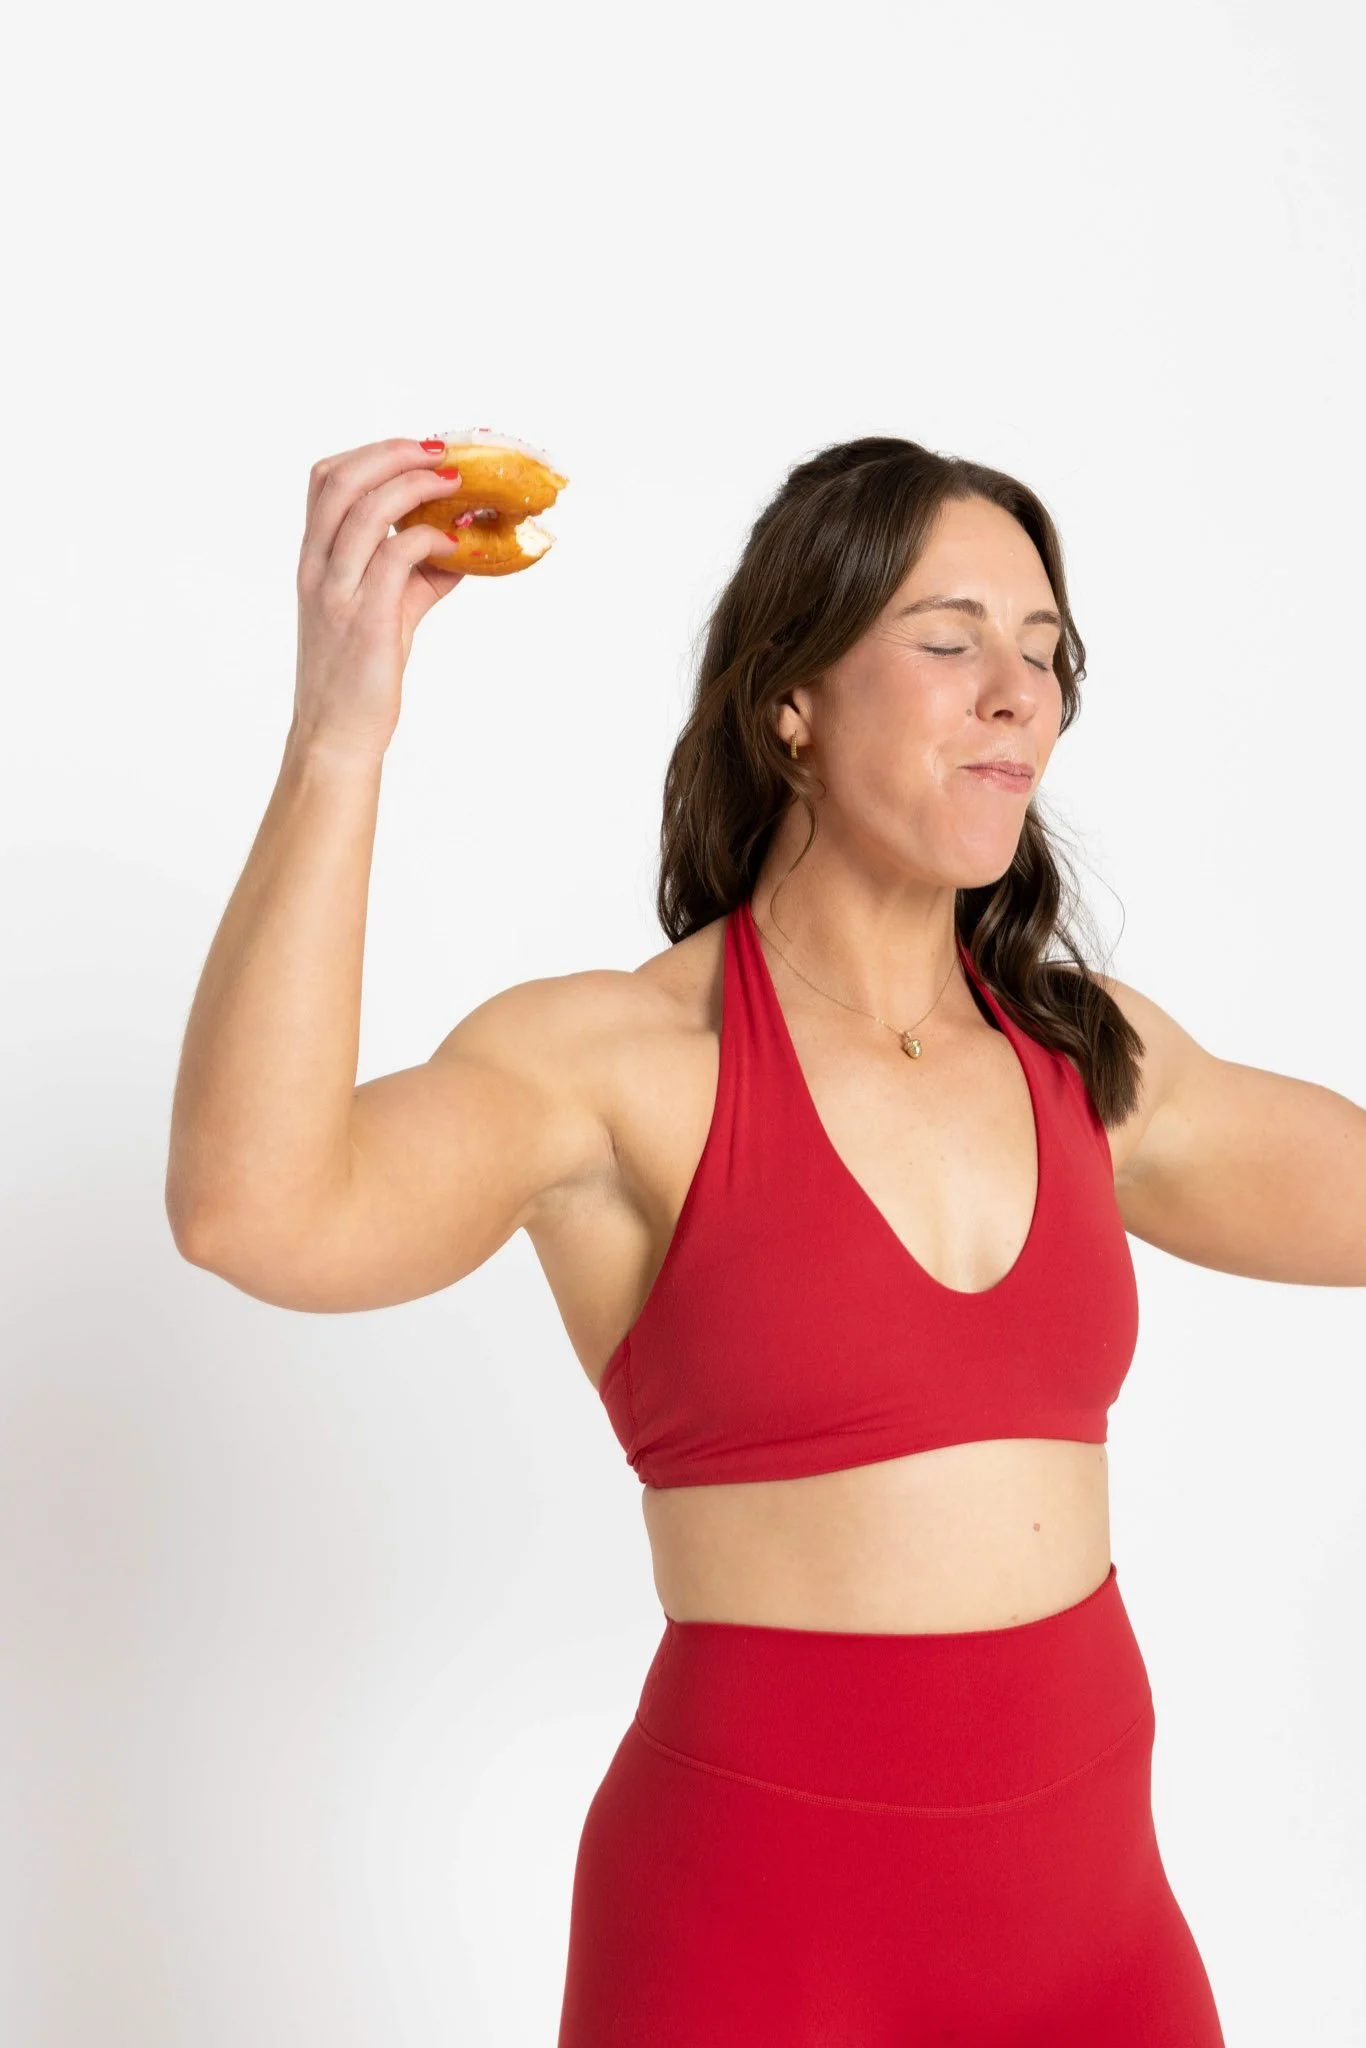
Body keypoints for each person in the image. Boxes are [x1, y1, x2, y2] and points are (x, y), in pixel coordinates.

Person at [166, 432, 1365, 2046]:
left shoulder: (1088, 1059)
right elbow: (257, 1210)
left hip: (1098, 1954)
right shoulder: (609, 1067)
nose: (1017, 690)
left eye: (1044, 652)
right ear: (787, 698)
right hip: (760, 1953)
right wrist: (340, 738)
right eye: (947, 641)